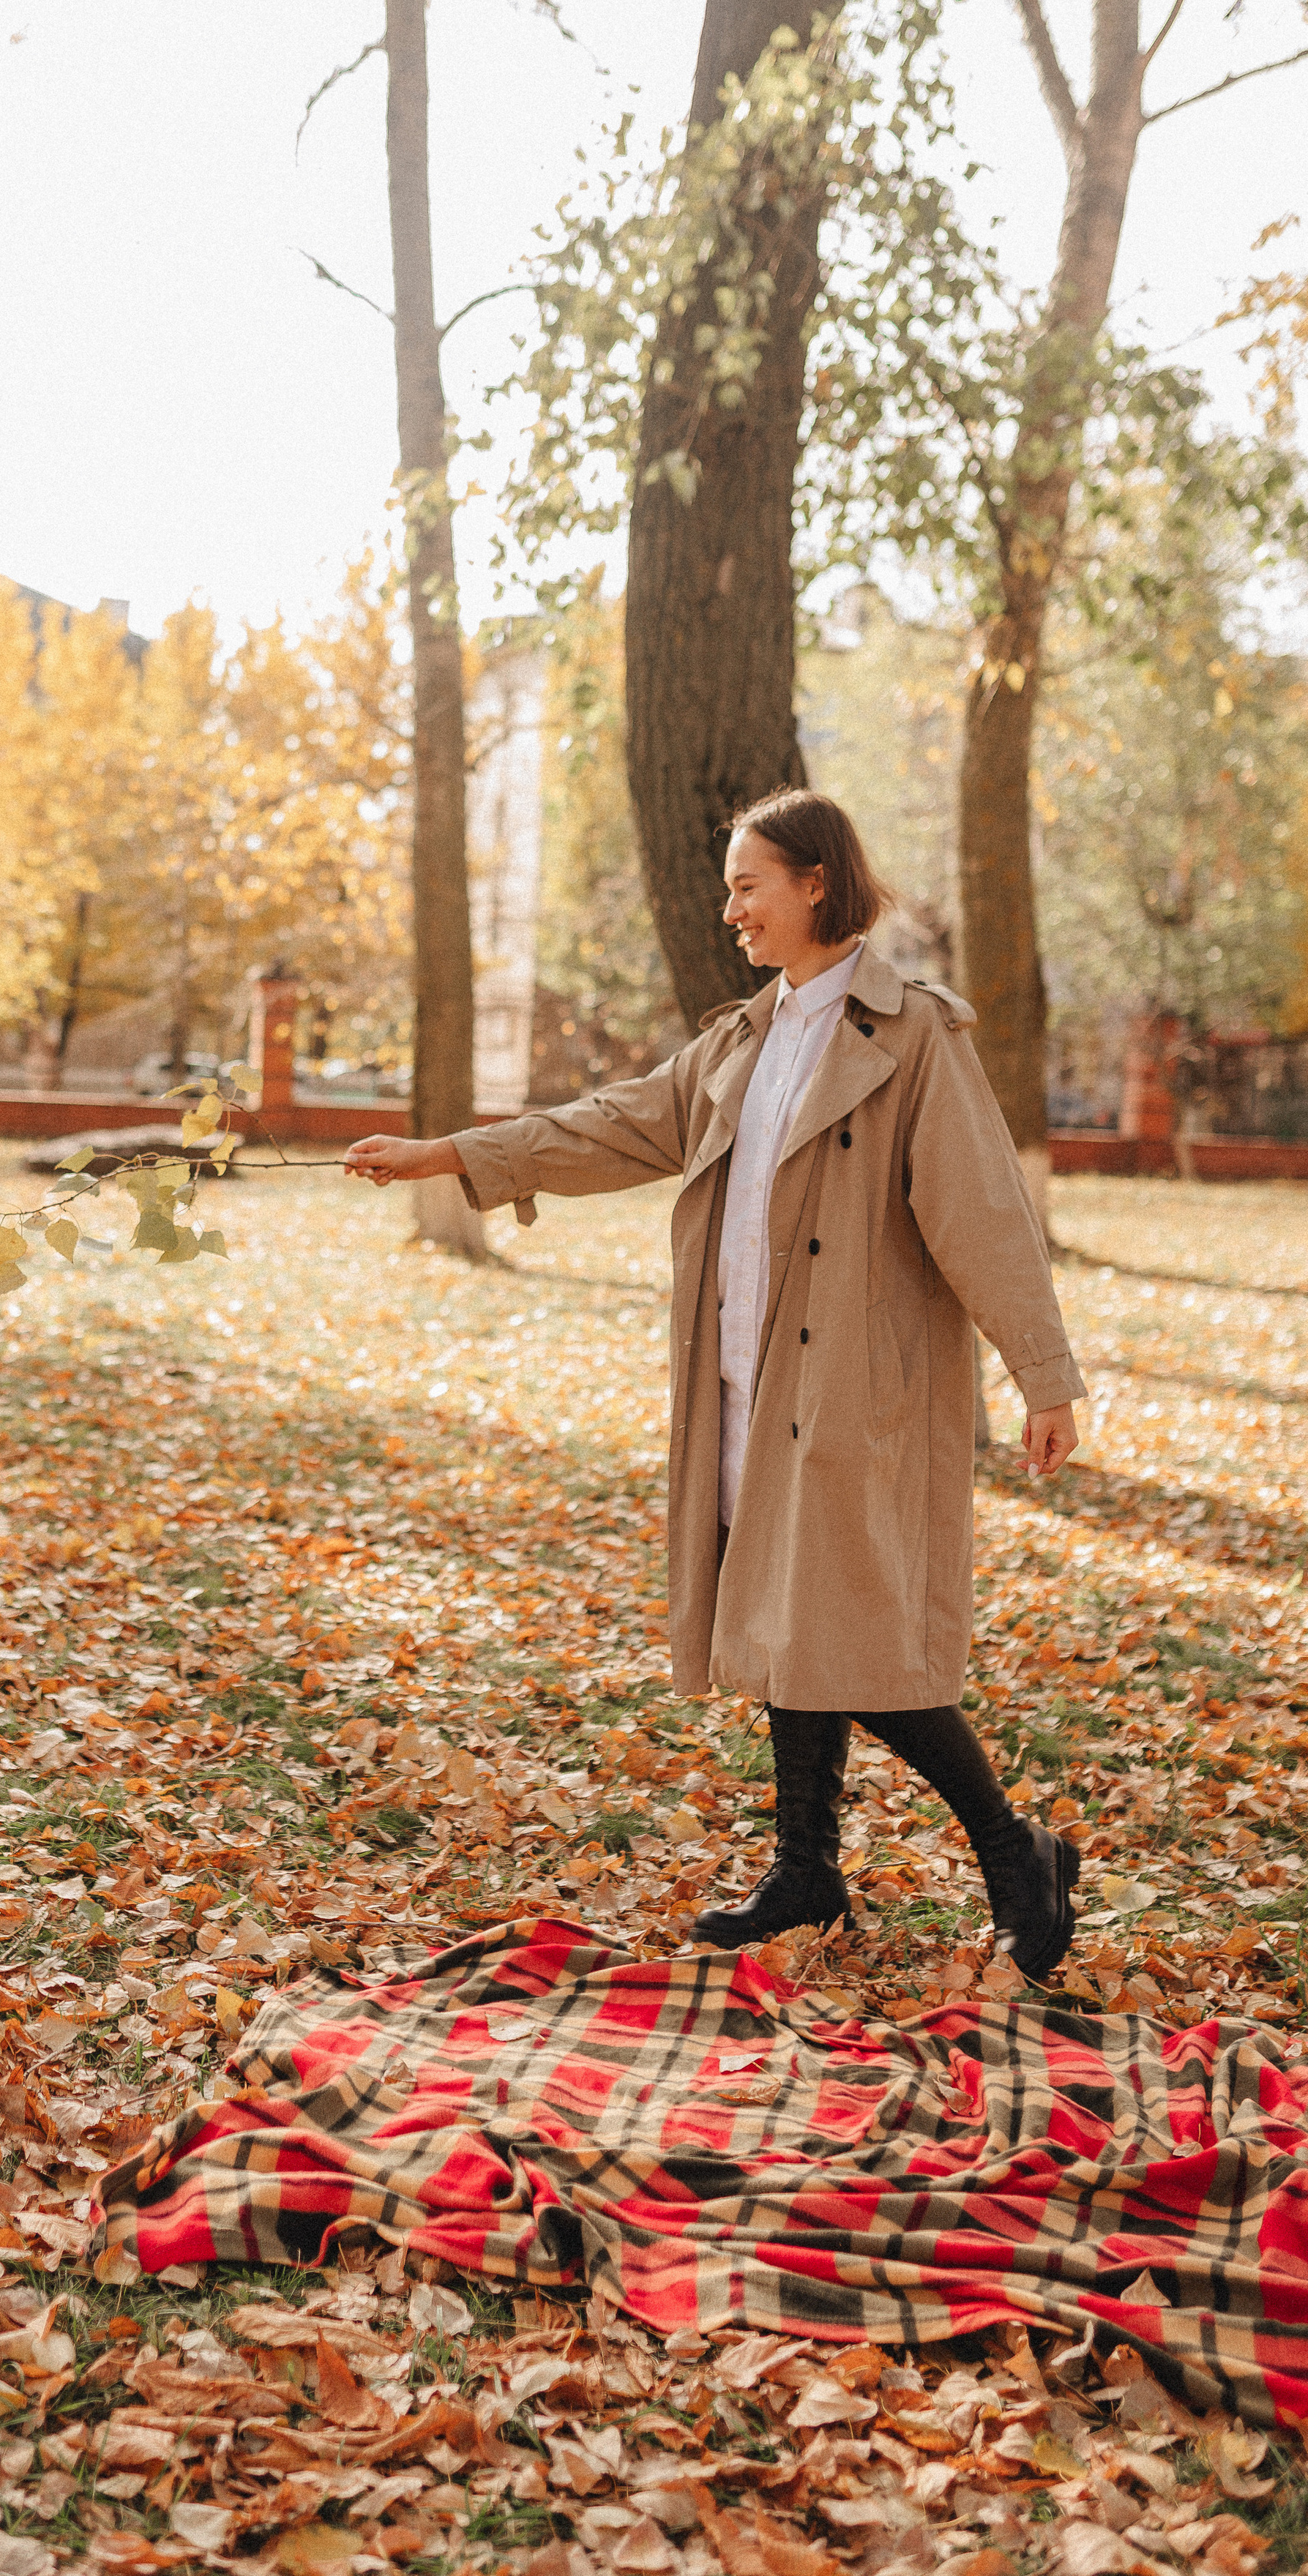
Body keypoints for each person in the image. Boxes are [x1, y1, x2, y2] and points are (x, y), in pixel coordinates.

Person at [345, 790, 1088, 1979]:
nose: (731, 906)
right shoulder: (744, 1036)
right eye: (733, 884)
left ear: (816, 886)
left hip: (853, 1382)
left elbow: (986, 1213)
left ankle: (1016, 1856)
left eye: (750, 884)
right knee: (787, 1617)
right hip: (744, 1373)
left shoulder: (911, 1038)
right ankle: (807, 1871)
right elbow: (613, 1124)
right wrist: (452, 1155)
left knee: (853, 1635)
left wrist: (1043, 1372)